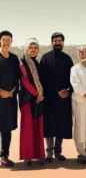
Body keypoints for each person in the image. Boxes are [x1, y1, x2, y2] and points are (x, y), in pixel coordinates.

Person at [40, 32, 74, 163]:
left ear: (63, 43)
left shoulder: (67, 59)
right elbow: (42, 79)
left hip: (63, 99)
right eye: (55, 40)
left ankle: (58, 152)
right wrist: (54, 91)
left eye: (60, 40)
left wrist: (68, 90)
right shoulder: (45, 58)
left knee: (61, 126)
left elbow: (73, 79)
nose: (57, 42)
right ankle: (49, 153)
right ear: (52, 42)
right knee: (49, 126)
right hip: (49, 99)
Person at [19, 38, 46, 166]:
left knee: (38, 129)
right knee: (27, 130)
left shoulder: (39, 65)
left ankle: (40, 155)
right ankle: (27, 156)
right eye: (31, 47)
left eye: (35, 48)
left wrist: (40, 96)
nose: (33, 50)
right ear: (26, 49)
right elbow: (24, 81)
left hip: (39, 100)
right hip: (27, 100)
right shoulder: (22, 64)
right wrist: (37, 95)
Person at [0, 30, 21, 167]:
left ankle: (4, 155)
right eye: (4, 39)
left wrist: (10, 92)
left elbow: (18, 79)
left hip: (10, 99)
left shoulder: (14, 59)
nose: (6, 42)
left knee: (6, 129)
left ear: (11, 42)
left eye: (9, 40)